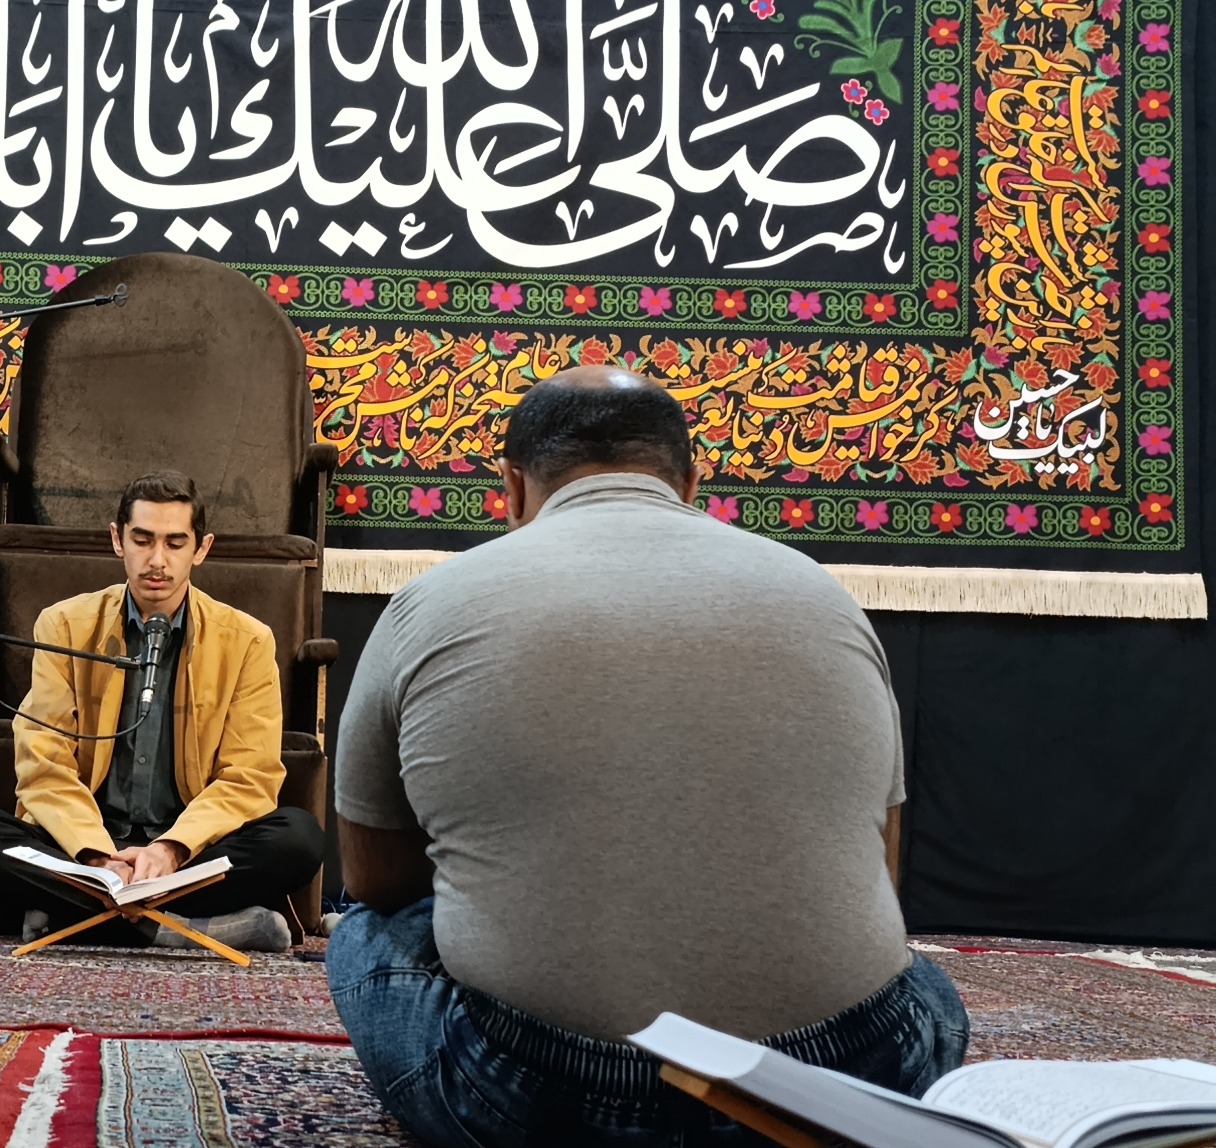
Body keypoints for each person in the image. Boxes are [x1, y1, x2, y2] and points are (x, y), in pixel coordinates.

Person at [327, 367, 969, 1146]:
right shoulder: (825, 595)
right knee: (923, 985)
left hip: (541, 1096)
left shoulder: (428, 604)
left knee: (363, 930)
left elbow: (377, 879)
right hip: (845, 1080)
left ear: (512, 487)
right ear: (691, 484)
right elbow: (880, 870)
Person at [0, 470, 323, 953]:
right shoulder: (64, 625)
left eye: (175, 543)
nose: (157, 560)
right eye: (142, 540)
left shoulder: (247, 640)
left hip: (189, 857)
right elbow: (44, 764)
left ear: (201, 549)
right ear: (117, 540)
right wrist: (99, 859)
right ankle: (185, 930)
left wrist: (171, 850)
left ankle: (72, 915)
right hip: (82, 850)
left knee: (300, 838)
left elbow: (250, 778)